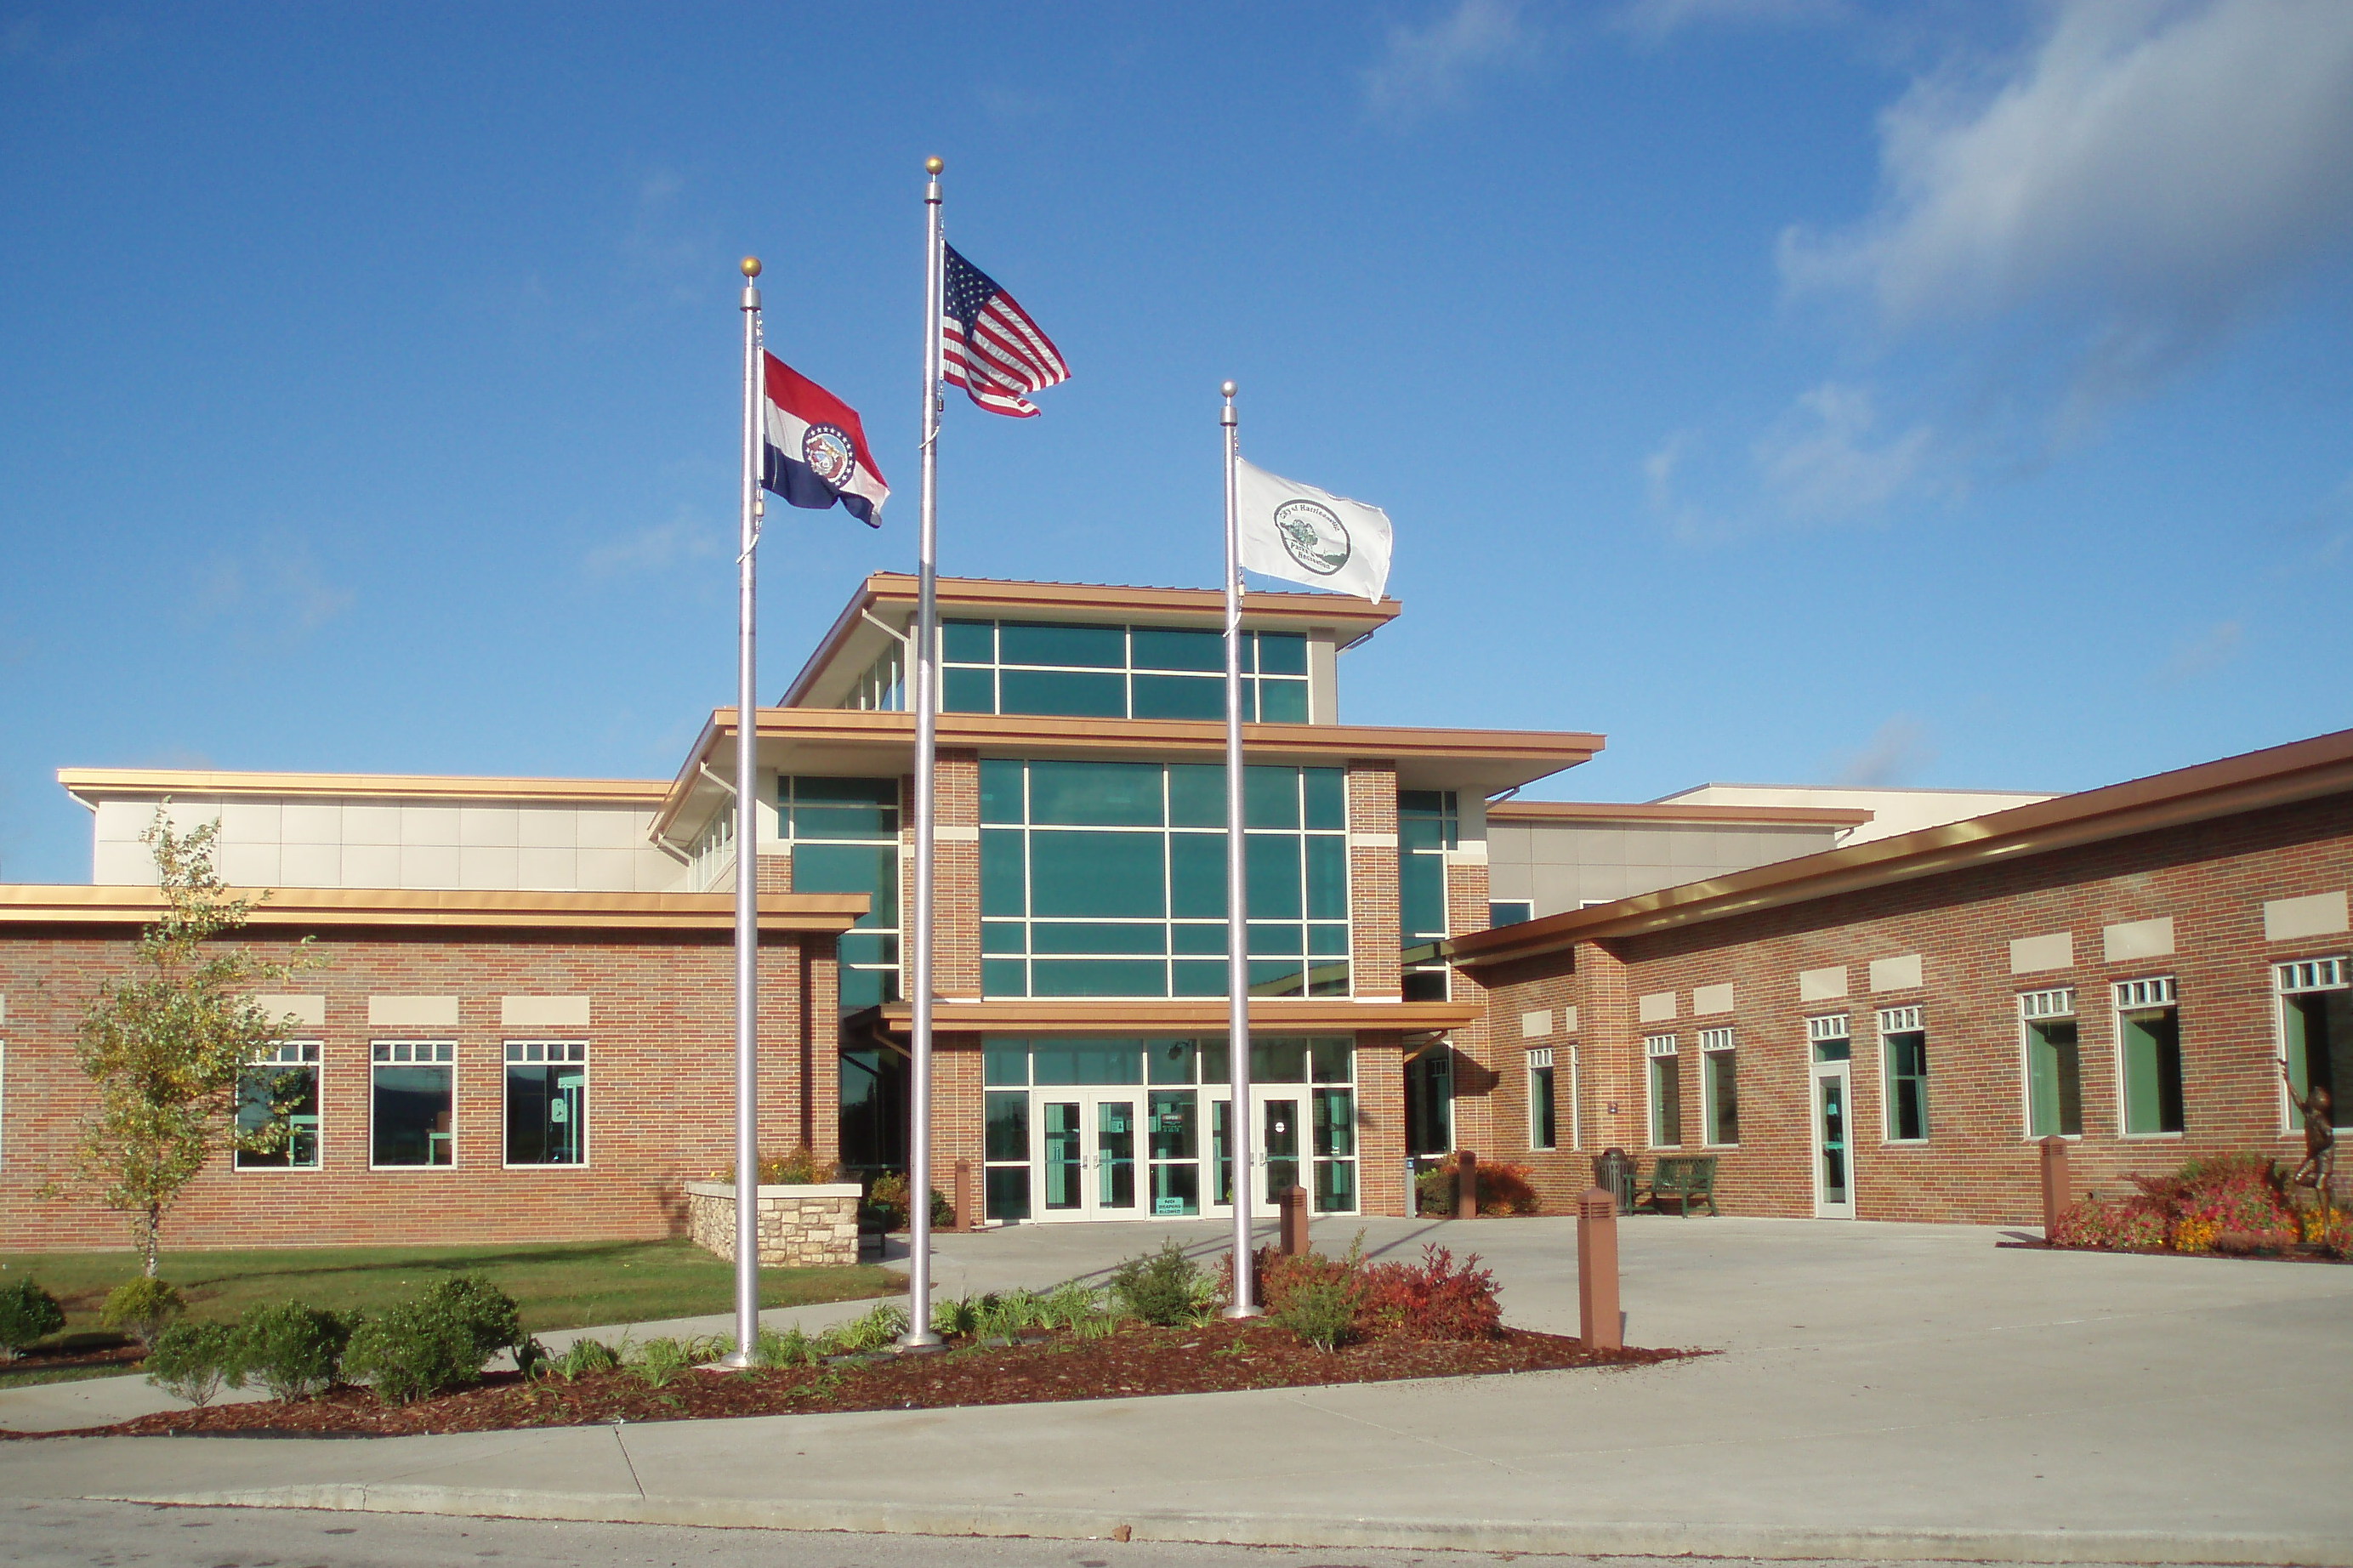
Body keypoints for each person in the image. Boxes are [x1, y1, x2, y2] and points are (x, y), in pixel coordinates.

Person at [2281, 1060, 2336, 1193]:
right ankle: (2325, 1189)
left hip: (2324, 1156)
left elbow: (2330, 1137)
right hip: (2313, 1155)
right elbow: (2297, 1100)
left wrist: (2320, 1146)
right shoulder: (2309, 1114)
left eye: (2311, 1096)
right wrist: (2287, 1081)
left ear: (2316, 1102)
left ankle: (2323, 1193)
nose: (2308, 1097)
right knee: (2298, 1179)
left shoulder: (2320, 1120)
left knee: (2319, 1186)